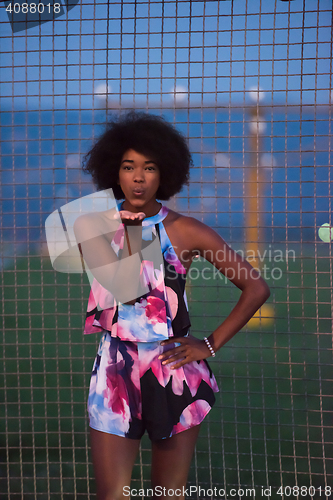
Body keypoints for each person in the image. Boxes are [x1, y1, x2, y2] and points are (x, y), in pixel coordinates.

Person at [74, 111, 270, 500]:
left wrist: (208, 345)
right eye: (129, 167)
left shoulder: (187, 230)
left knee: (168, 495)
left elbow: (256, 287)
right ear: (115, 171)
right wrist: (129, 229)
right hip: (116, 371)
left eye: (149, 168)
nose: (139, 177)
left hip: (174, 371)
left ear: (165, 174)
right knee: (111, 495)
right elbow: (125, 289)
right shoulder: (90, 225)